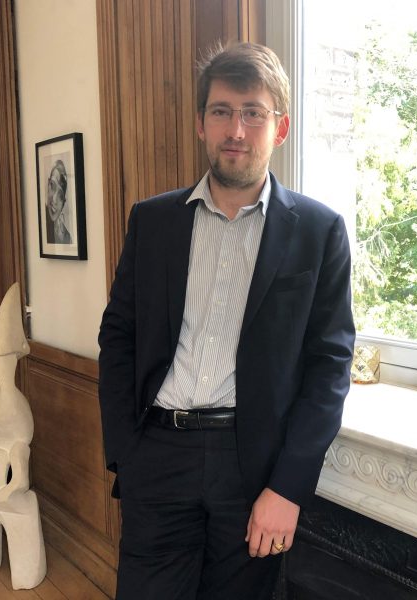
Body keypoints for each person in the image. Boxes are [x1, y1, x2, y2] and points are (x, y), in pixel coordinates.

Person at [99, 42, 355, 600]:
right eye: (221, 111)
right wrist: (126, 453)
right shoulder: (152, 221)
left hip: (252, 466)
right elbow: (118, 336)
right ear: (201, 123)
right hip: (157, 456)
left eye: (253, 113)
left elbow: (329, 368)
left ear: (279, 128)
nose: (236, 130)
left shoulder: (319, 231)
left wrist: (288, 488)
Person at [45, 159, 72, 244]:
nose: (54, 199)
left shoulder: (67, 238)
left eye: (60, 196)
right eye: (52, 185)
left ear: (64, 203)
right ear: (48, 184)